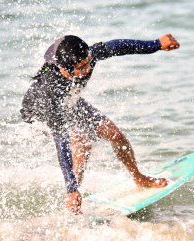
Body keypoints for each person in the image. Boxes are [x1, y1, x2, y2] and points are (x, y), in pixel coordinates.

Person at [20, 34, 180, 214]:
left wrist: (156, 44)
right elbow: (61, 142)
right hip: (39, 112)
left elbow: (119, 46)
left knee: (115, 135)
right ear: (65, 70)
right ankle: (73, 198)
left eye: (89, 62)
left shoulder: (87, 56)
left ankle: (139, 178)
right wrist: (71, 188)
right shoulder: (51, 93)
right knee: (81, 144)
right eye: (81, 68)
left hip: (71, 101)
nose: (88, 69)